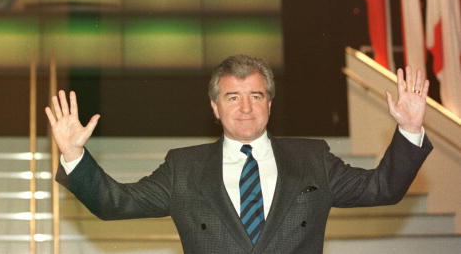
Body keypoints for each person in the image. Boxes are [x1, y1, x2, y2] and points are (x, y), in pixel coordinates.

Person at [45, 54, 432, 253]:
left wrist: (410, 129)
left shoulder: (312, 158)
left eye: (256, 96)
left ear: (270, 104)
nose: (245, 108)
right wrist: (75, 156)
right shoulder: (184, 167)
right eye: (233, 97)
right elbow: (115, 204)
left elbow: (382, 189)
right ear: (215, 107)